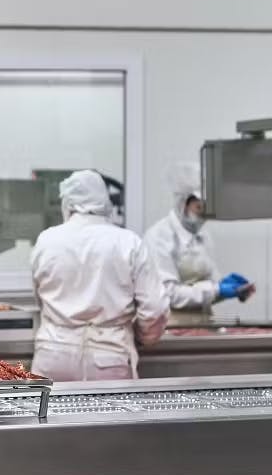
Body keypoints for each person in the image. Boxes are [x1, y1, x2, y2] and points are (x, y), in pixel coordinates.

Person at [30, 170, 169, 381]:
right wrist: (144, 338)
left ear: (67, 203)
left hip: (53, 354)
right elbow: (155, 308)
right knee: (109, 405)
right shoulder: (128, 242)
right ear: (105, 202)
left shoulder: (46, 241)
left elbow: (40, 299)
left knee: (49, 405)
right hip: (109, 356)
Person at [143, 162, 255, 324]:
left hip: (203, 323)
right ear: (182, 203)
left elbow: (210, 290)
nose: (204, 215)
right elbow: (168, 294)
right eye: (199, 208)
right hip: (171, 326)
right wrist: (217, 289)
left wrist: (231, 289)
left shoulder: (202, 236)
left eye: (207, 209)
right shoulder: (158, 237)